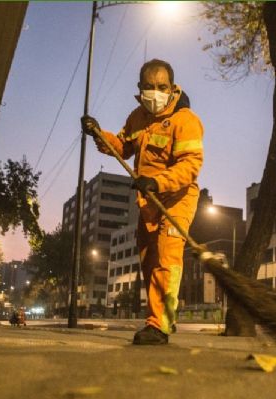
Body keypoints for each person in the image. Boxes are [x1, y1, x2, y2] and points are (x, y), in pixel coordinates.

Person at [81, 59, 204, 345]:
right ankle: (156, 320)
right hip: (147, 201)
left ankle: (160, 326)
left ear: (172, 88)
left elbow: (190, 166)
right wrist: (99, 133)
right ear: (140, 88)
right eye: (149, 86)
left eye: (162, 87)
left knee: (166, 258)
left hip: (177, 198)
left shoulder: (186, 120)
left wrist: (157, 182)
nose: (155, 92)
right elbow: (123, 146)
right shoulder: (137, 117)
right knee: (148, 262)